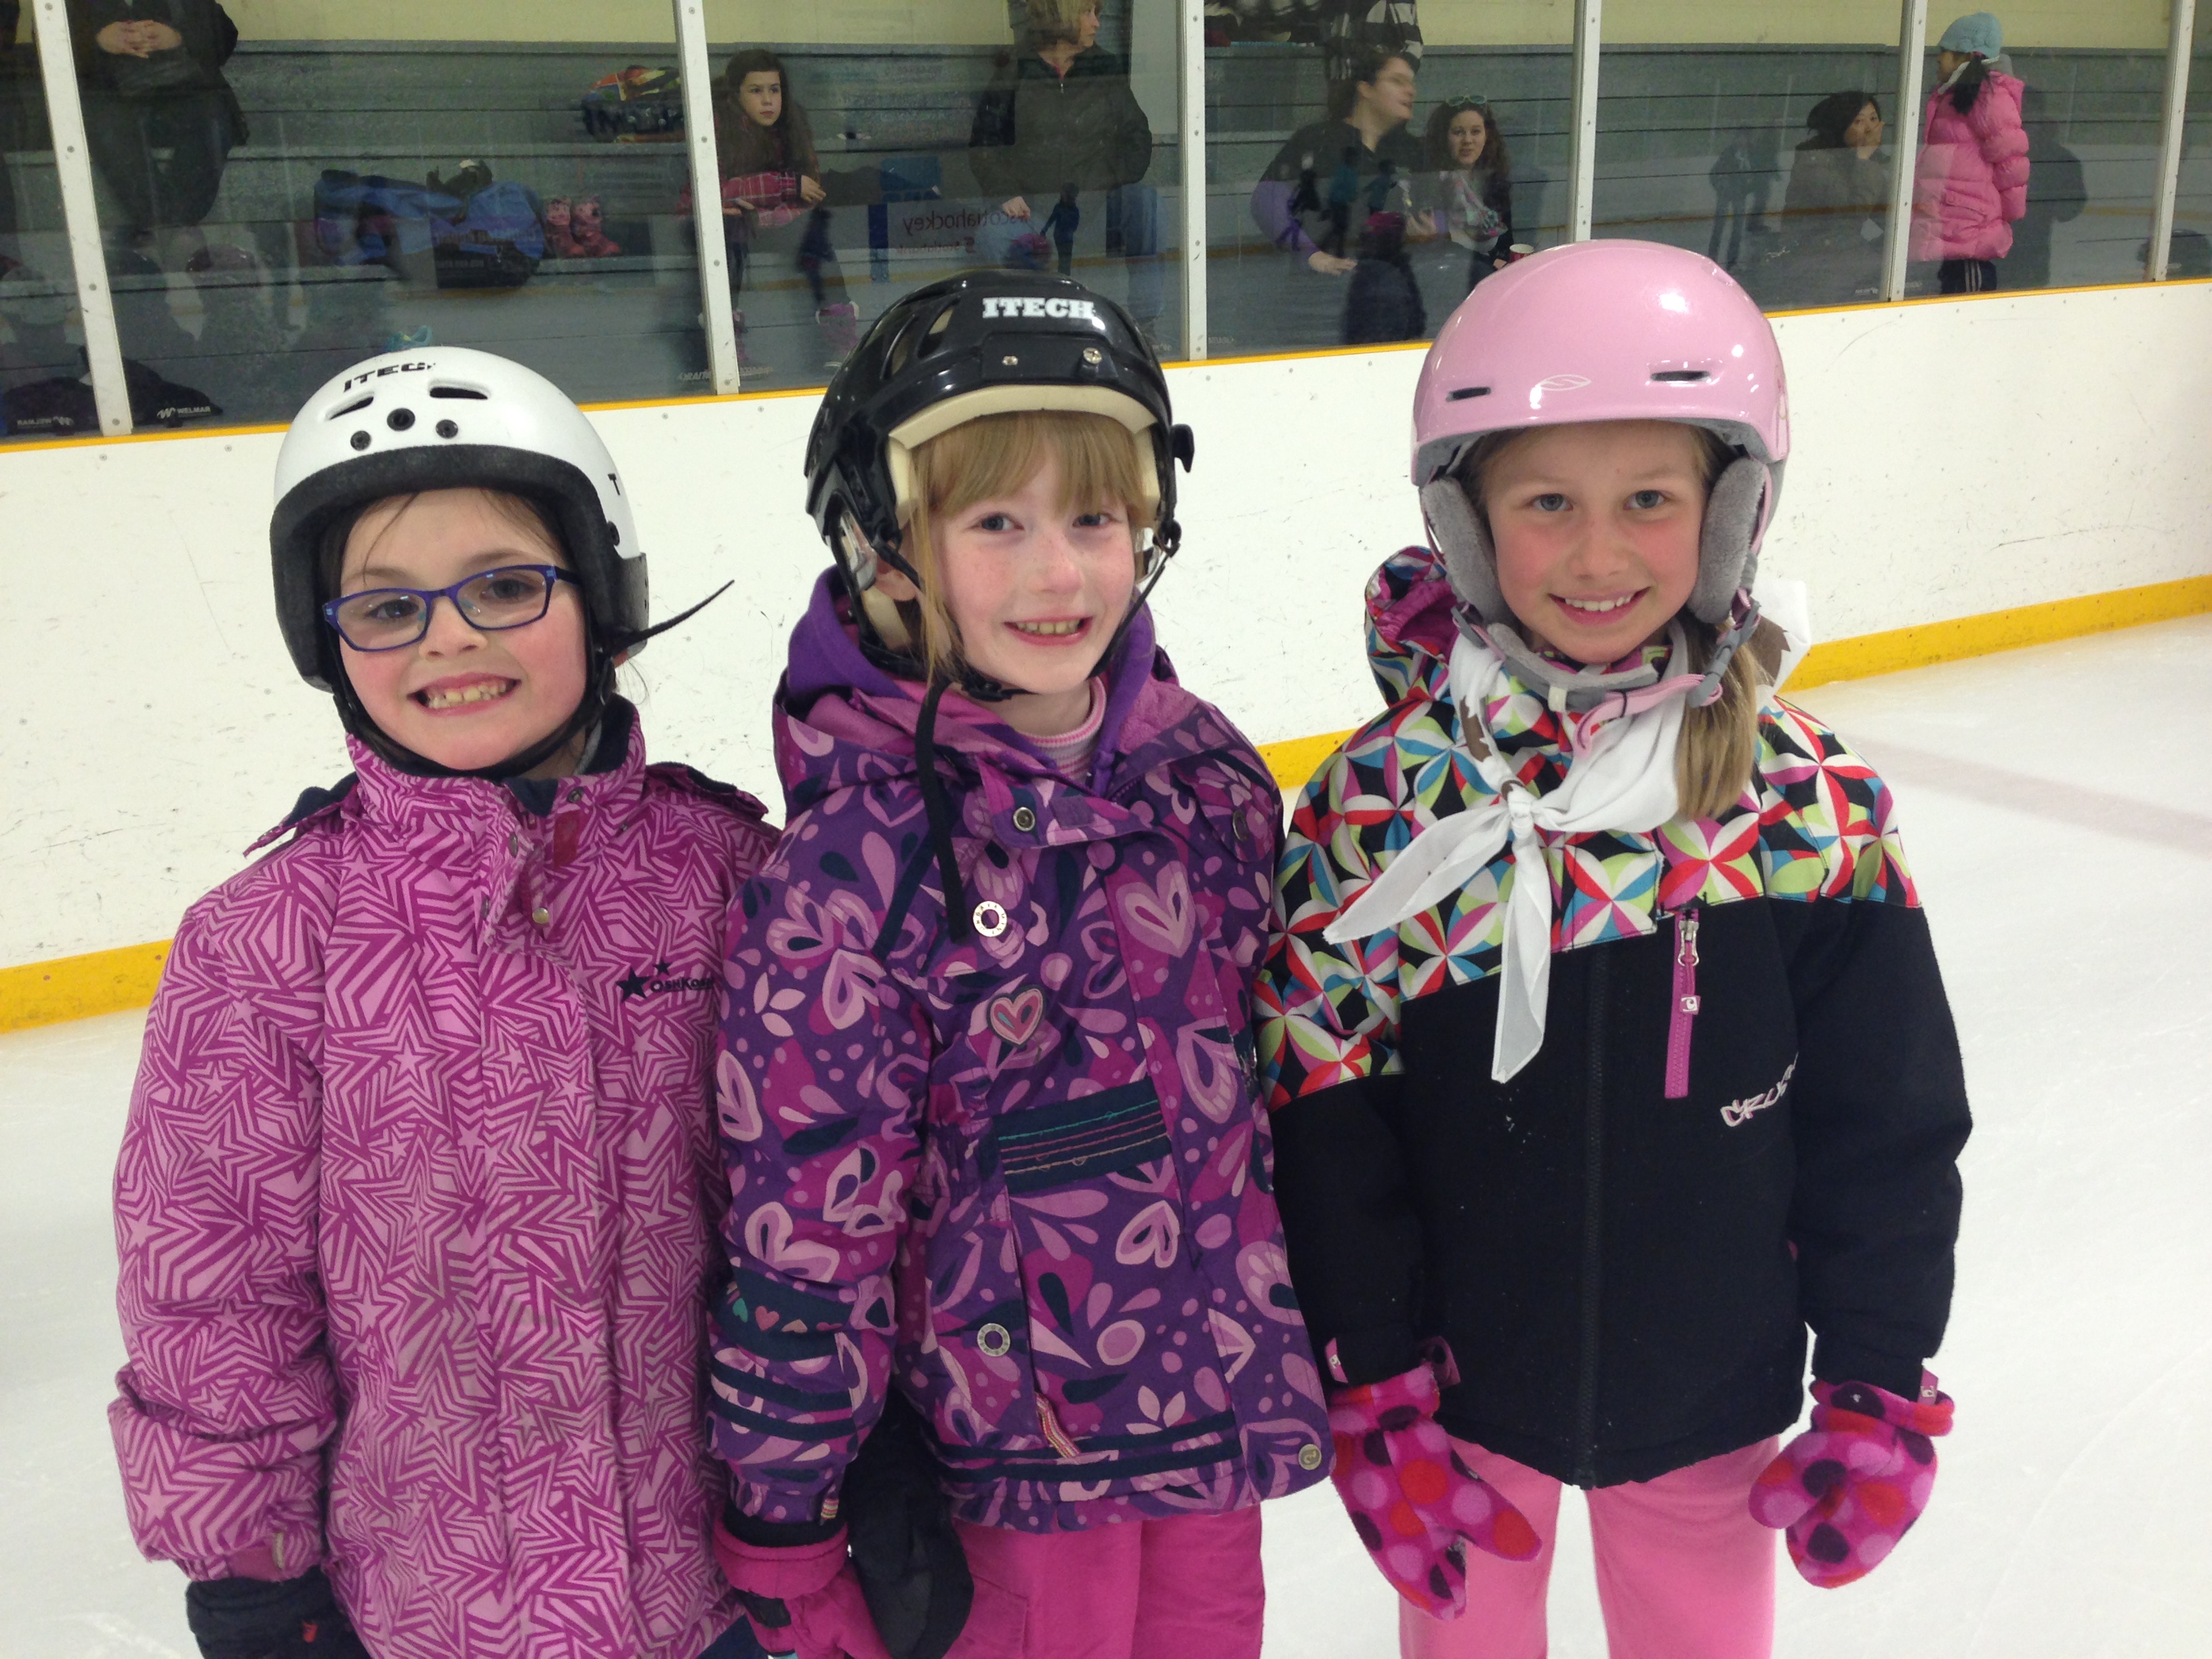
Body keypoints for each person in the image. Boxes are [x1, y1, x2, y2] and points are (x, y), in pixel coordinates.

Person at [1257, 240, 1971, 1659]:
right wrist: (1372, 1380)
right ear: (1468, 525)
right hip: (1456, 1407)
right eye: (1547, 503)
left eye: (1649, 499)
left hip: (1709, 1393)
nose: (1597, 556)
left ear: (1730, 512)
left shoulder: (1797, 802)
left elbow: (1885, 1116)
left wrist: (1879, 1371)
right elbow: (1326, 1116)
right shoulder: (1385, 805)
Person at [108, 346, 781, 1659]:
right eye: (386, 606)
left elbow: (823, 1220)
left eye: (507, 585)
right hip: (431, 1614)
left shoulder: (732, 883)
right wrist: (253, 1578)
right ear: (327, 640)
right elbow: (215, 1292)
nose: (450, 637)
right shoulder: (267, 941)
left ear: (603, 596)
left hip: (726, 1598)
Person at [707, 273, 1332, 1659]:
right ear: (881, 541)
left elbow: (1266, 1084)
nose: (1061, 574)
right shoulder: (854, 865)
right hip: (1008, 1478)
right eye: (996, 522)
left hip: (1210, 1429)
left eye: (1094, 518)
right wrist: (785, 1506)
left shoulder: (1204, 778)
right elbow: (808, 1222)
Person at [968, 0, 1162, 337]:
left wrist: (1104, 181)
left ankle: (1145, 325)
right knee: (992, 233)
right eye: (1088, 13)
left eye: (1098, 14)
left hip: (1097, 206)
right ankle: (1033, 322)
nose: (1097, 23)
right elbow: (984, 143)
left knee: (1146, 204)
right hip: (1035, 212)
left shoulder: (1103, 68)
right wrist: (1006, 191)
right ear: (1061, 16)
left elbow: (1138, 137)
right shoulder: (1017, 70)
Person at [1250, 47, 1425, 343]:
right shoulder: (1319, 140)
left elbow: (1444, 209)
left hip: (1395, 297)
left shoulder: (1410, 150)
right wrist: (1311, 254)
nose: (1411, 91)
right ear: (1365, 89)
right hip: (1325, 300)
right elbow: (1266, 201)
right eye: (1397, 81)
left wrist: (1433, 229)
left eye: (1411, 83)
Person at [710, 48, 860, 370]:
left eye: (774, 90)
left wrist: (768, 210)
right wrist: (785, 186)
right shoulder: (717, 126)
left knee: (816, 234)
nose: (768, 101)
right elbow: (717, 190)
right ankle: (726, 347)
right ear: (736, 95)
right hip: (732, 221)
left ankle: (842, 339)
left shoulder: (793, 124)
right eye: (756, 91)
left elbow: (810, 188)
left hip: (774, 218)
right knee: (728, 231)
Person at [69, 0, 246, 243]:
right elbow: (47, 46)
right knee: (106, 126)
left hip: (181, 94)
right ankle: (174, 231)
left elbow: (225, 34)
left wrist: (177, 37)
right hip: (108, 99)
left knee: (213, 117)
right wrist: (98, 41)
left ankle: (166, 231)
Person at [1909, 12, 2028, 294]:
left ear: (1965, 56)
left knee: (1965, 305)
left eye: (1945, 51)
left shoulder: (1990, 98)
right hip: (1948, 228)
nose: (1938, 59)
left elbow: (2012, 163)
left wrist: (1999, 218)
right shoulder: (1952, 96)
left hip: (1969, 234)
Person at [1780, 91, 1887, 305]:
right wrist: (1864, 161)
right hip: (1816, 267)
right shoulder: (1814, 162)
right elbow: (1850, 216)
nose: (1869, 129)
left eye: (1873, 119)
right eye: (1859, 121)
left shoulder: (1866, 163)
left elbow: (1890, 217)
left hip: (1846, 261)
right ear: (1840, 125)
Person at [1414, 94, 1514, 308]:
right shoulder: (1432, 183)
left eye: (1475, 132)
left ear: (1487, 136)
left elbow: (1506, 240)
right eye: (1458, 132)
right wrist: (1493, 263)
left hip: (1491, 281)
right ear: (1444, 138)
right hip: (1448, 284)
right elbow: (1443, 244)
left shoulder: (1494, 182)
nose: (1468, 140)